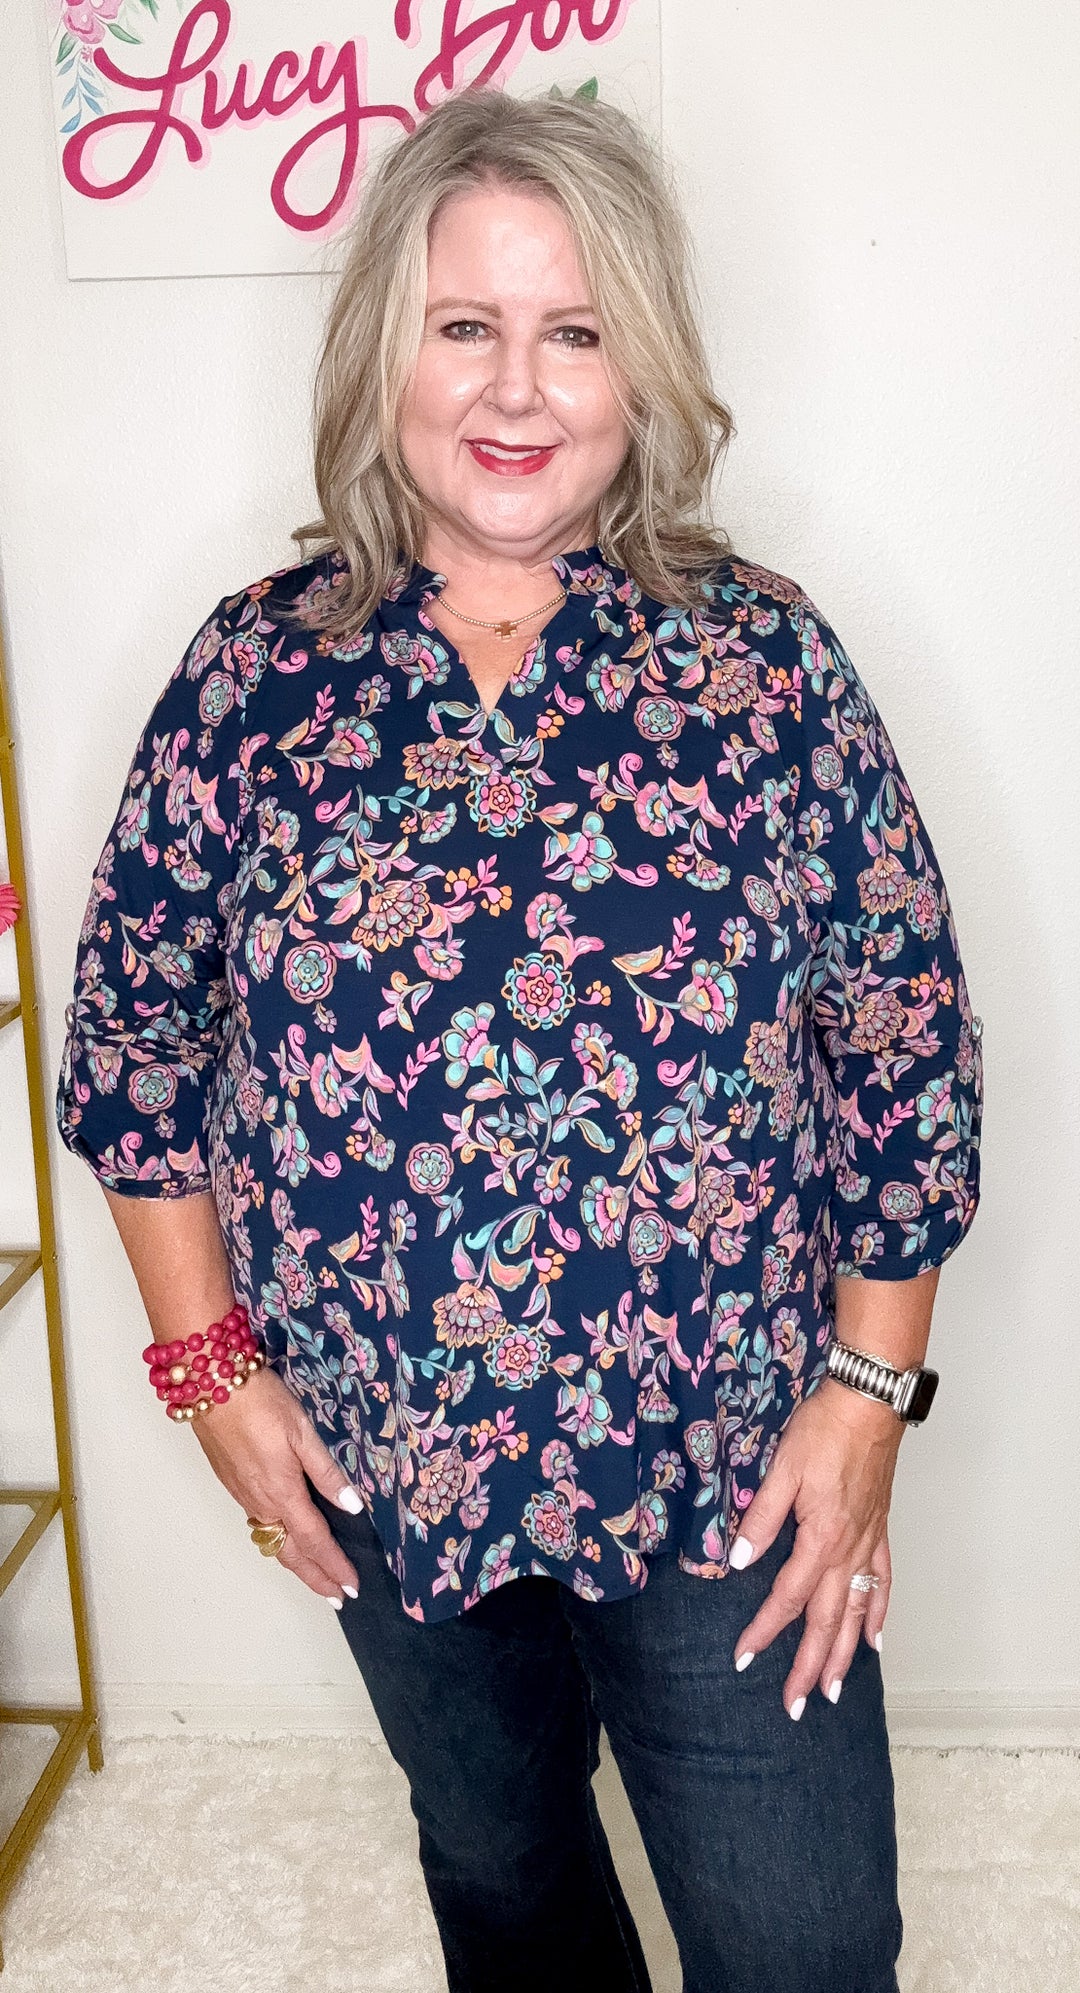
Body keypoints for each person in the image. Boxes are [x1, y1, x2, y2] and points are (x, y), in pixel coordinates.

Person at [55, 87, 983, 1993]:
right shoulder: (256, 676)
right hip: (390, 1470)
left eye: (574, 333)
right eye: (465, 325)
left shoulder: (764, 665)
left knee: (802, 1949)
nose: (520, 387)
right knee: (507, 1886)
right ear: (385, 350)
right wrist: (213, 1372)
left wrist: (868, 1400)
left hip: (730, 1457)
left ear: (640, 367)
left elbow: (907, 1046)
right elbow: (134, 1053)